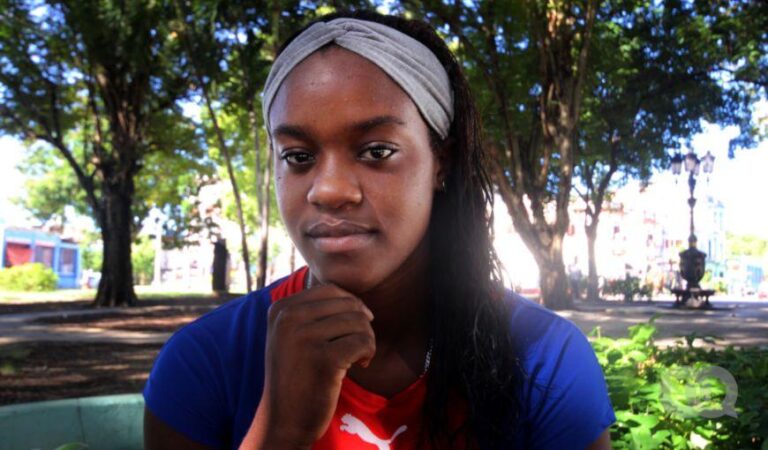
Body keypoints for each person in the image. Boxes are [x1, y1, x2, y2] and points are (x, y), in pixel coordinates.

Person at [143, 10, 615, 450]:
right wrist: (279, 432)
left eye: (376, 151)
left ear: (441, 163)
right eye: (298, 157)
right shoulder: (203, 363)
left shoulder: (544, 360)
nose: (328, 191)